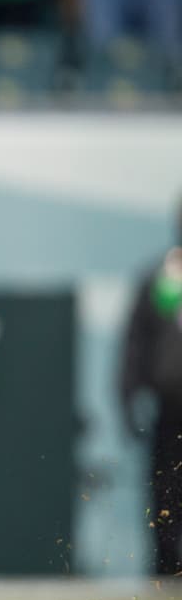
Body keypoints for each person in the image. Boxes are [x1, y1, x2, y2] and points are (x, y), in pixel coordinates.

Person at [119, 214, 182, 577]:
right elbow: (137, 343)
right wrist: (127, 397)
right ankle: (168, 570)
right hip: (171, 408)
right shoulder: (163, 276)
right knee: (167, 494)